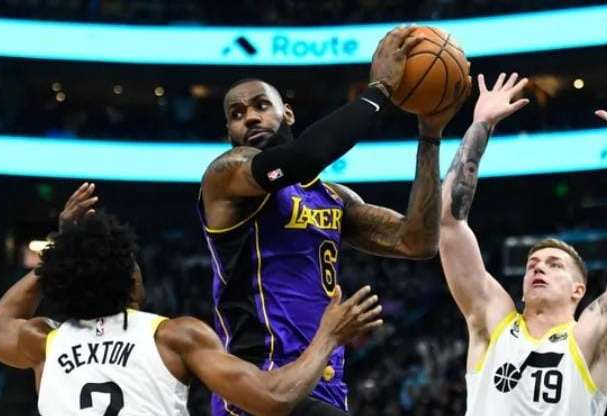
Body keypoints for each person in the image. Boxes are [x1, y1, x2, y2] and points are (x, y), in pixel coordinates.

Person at [198, 26, 468, 415]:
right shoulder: (227, 175)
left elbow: (417, 241)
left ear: (288, 113)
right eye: (236, 115)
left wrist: (430, 136)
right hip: (259, 384)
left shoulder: (333, 198)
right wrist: (379, 90)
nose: (250, 118)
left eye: (261, 106)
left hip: (322, 386)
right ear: (229, 133)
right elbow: (304, 157)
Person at [0, 183, 383, 416]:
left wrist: (61, 249)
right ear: (132, 280)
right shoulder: (173, 337)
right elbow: (272, 398)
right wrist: (328, 337)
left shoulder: (45, 343)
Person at [439, 72, 607, 415]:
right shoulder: (492, 321)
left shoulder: (588, 337)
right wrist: (480, 125)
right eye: (533, 265)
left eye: (555, 264)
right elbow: (449, 224)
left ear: (578, 290)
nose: (539, 267)